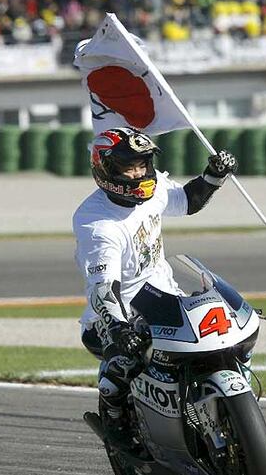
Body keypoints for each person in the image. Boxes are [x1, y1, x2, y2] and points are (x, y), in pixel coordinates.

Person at [73, 127, 237, 450]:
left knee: (220, 327)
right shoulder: (97, 224)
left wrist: (213, 176)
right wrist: (120, 329)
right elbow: (104, 288)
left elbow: (187, 201)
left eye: (142, 163)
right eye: (128, 165)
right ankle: (113, 410)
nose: (138, 172)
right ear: (105, 169)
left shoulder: (154, 187)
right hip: (115, 316)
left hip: (165, 297)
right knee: (133, 353)